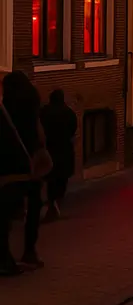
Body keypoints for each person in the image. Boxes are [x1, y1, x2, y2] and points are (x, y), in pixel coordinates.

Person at [1, 71, 45, 272]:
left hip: (7, 167)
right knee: (34, 207)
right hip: (29, 164)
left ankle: (4, 257)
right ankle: (29, 250)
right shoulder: (31, 105)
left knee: (4, 213)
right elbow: (39, 135)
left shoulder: (5, 108)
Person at [40, 89, 77, 220]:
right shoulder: (69, 113)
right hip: (65, 150)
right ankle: (57, 203)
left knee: (51, 179)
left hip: (51, 149)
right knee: (62, 178)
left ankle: (52, 203)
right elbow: (73, 129)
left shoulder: (45, 112)